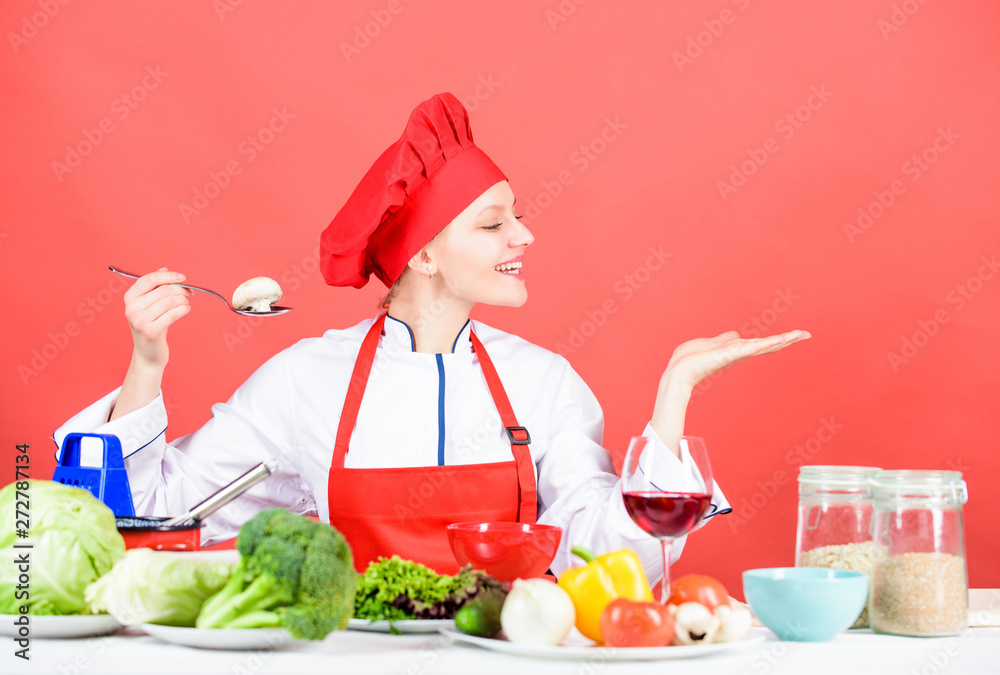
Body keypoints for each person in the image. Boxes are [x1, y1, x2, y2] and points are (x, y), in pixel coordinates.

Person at [54, 93, 810, 579]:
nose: (524, 235)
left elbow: (614, 557)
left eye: (517, 215)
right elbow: (153, 513)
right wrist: (146, 363)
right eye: (493, 223)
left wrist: (674, 394)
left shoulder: (544, 382)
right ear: (421, 255)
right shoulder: (306, 380)